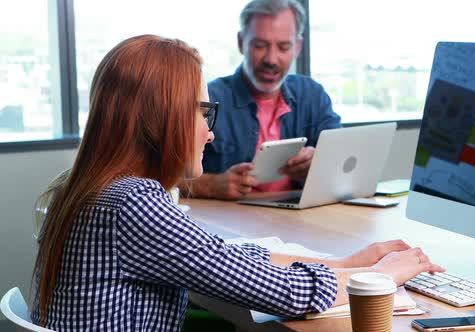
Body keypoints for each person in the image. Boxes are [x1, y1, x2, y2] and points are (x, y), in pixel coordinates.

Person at [31, 35, 444, 331]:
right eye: (202, 113)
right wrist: (384, 276)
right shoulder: (134, 203)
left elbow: (224, 258)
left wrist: (352, 261)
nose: (209, 133)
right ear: (165, 116)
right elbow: (284, 294)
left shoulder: (84, 186)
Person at [182, 0, 342, 200]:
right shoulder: (209, 98)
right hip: (230, 222)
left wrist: (319, 161)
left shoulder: (312, 94)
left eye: (284, 47)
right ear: (241, 43)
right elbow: (159, 175)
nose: (271, 59)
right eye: (260, 45)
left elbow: (342, 157)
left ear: (298, 47)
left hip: (298, 218)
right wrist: (209, 185)